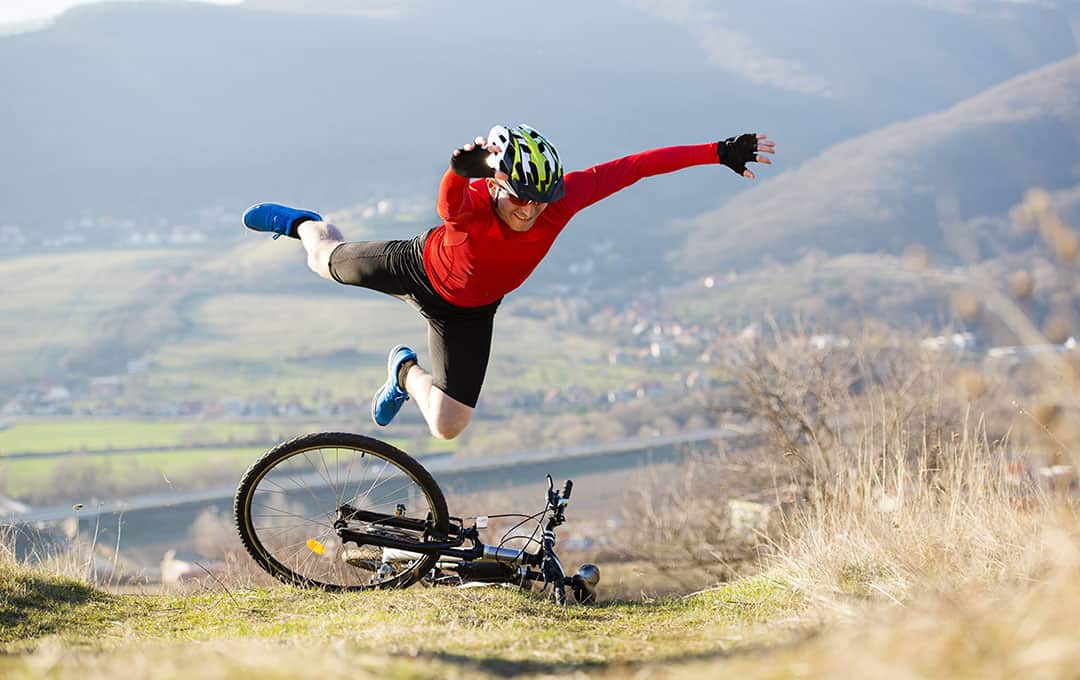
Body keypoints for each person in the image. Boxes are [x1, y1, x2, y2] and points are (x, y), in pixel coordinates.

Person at [243, 125, 775, 440]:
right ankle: (299, 220)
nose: (530, 210)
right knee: (323, 257)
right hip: (416, 267)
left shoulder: (556, 203)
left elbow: (634, 166)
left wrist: (716, 152)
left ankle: (404, 372)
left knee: (447, 426)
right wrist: (459, 171)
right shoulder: (472, 204)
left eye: (541, 200)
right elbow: (447, 202)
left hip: (468, 313)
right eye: (520, 196)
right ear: (496, 183)